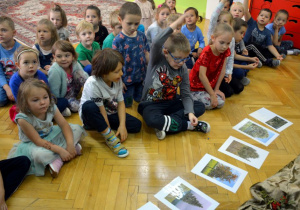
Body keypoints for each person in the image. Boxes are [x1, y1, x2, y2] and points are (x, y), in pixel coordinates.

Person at [138, 13, 210, 140]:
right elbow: (156, 43)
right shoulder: (157, 59)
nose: (181, 63)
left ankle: (167, 124)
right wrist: (179, 21)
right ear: (166, 52)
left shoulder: (182, 69)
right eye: (178, 59)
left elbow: (186, 94)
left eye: (184, 59)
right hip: (151, 104)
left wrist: (191, 112)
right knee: (150, 119)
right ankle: (187, 125)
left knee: (199, 107)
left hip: (171, 102)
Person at [7, 78, 86, 178]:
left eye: (45, 97)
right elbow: (38, 141)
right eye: (36, 100)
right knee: (40, 155)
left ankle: (64, 152)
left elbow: (64, 125)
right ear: (25, 103)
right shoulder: (23, 119)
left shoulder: (51, 106)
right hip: (34, 143)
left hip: (50, 133)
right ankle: (59, 157)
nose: (43, 102)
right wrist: (60, 151)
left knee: (77, 129)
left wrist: (70, 144)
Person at [79, 49, 142, 158]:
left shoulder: (117, 79)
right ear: (104, 73)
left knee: (136, 125)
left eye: (121, 70)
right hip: (93, 115)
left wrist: (122, 126)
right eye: (117, 71)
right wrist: (110, 135)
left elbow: (121, 103)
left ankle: (102, 128)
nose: (121, 73)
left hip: (109, 111)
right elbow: (101, 110)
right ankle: (107, 134)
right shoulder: (93, 83)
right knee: (89, 106)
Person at [112, 2, 150, 108]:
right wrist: (119, 81)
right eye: (129, 23)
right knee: (127, 104)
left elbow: (146, 52)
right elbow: (115, 63)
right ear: (120, 20)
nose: (133, 27)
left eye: (136, 23)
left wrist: (151, 67)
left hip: (141, 77)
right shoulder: (118, 41)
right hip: (126, 80)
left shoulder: (142, 36)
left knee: (140, 99)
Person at [190, 23, 234, 110]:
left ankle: (201, 97)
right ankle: (190, 96)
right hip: (196, 84)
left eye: (228, 43)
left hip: (210, 84)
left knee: (220, 102)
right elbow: (202, 75)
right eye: (222, 42)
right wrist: (212, 94)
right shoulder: (207, 52)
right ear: (213, 38)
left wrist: (216, 89)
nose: (225, 46)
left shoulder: (225, 51)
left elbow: (222, 70)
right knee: (212, 103)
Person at [208, 0, 244, 98]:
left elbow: (231, 56)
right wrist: (222, 2)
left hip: (223, 72)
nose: (221, 23)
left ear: (231, 24)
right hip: (211, 74)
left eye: (225, 21)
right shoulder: (213, 33)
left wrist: (229, 73)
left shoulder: (231, 39)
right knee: (229, 93)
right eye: (219, 21)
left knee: (239, 88)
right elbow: (213, 17)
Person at [9, 46, 48, 122]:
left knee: (60, 103)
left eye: (34, 62)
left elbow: (48, 92)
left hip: (42, 103)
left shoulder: (41, 75)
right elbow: (19, 101)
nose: (31, 66)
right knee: (21, 117)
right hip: (26, 106)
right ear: (18, 65)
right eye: (26, 62)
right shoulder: (14, 81)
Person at [48, 40, 88, 114]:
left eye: (67, 55)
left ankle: (91, 93)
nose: (63, 59)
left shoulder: (75, 64)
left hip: (74, 91)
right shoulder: (54, 70)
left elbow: (84, 77)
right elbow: (54, 93)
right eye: (59, 56)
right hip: (65, 97)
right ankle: (63, 110)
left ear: (72, 56)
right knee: (75, 107)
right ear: (54, 57)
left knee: (80, 73)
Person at [243, 0, 283, 67]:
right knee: (253, 46)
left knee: (267, 49)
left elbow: (270, 46)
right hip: (245, 48)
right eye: (261, 15)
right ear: (257, 17)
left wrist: (277, 55)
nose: (263, 17)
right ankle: (266, 61)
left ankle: (253, 60)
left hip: (255, 52)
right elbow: (245, 11)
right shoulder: (251, 23)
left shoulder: (267, 32)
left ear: (269, 21)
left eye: (266, 17)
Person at [0, 16, 21, 107]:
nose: (0, 33)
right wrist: (7, 88)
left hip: (19, 80)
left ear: (14, 33)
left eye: (4, 30)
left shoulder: (20, 49)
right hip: (4, 82)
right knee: (1, 100)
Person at [232, 18, 259, 86]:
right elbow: (228, 65)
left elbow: (235, 56)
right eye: (241, 33)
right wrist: (247, 67)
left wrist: (250, 59)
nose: (242, 36)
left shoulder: (238, 40)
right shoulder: (228, 44)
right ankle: (243, 73)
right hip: (229, 66)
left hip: (235, 61)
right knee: (239, 72)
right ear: (232, 31)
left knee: (246, 57)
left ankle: (244, 71)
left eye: (243, 33)